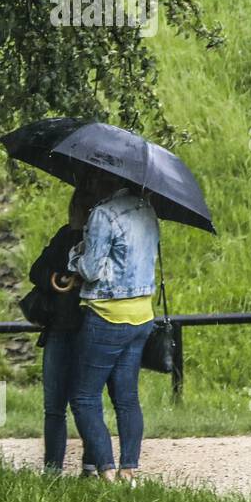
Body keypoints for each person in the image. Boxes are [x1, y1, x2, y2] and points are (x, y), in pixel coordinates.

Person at [68, 174, 159, 485]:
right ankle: (129, 471)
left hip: (108, 314)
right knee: (127, 398)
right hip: (142, 315)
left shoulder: (103, 214)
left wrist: (75, 255)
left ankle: (105, 470)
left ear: (103, 181)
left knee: (84, 397)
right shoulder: (148, 209)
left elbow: (91, 270)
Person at [28, 189, 94, 475]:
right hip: (59, 328)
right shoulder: (65, 235)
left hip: (92, 329)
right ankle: (52, 469)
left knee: (87, 403)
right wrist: (58, 279)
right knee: (53, 405)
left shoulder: (105, 238)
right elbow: (37, 271)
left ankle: (92, 465)